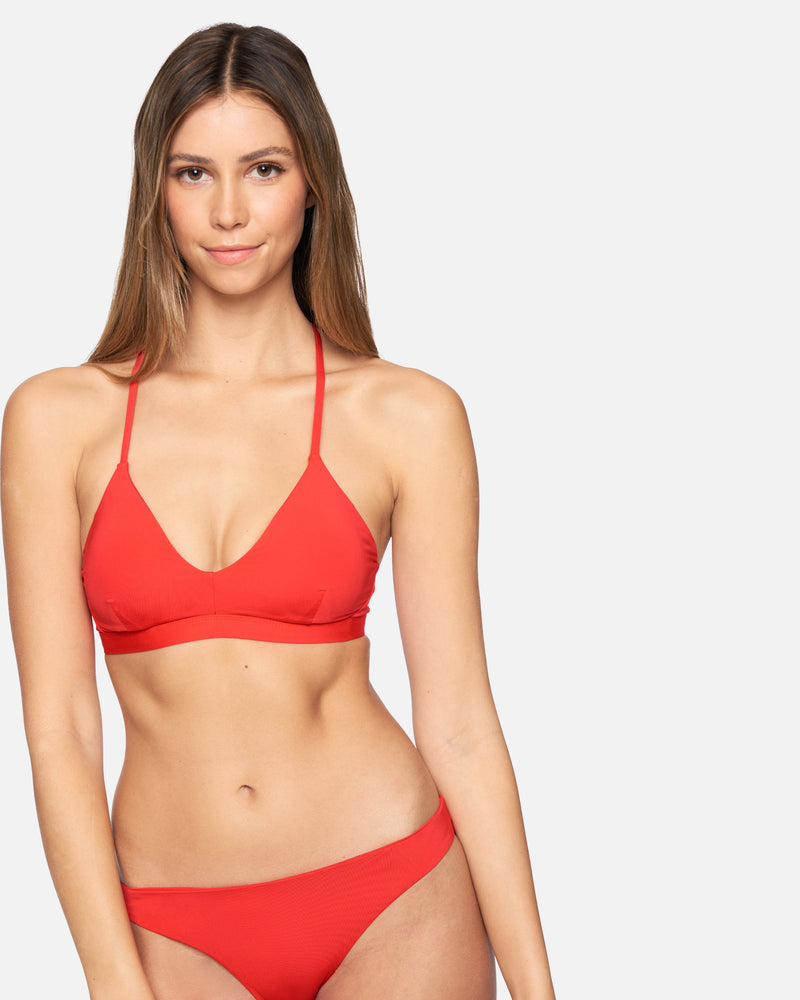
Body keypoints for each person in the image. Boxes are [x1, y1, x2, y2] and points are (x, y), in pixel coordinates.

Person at [1, 23, 555, 1000]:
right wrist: (112, 978)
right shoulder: (57, 421)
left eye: (263, 168)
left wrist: (539, 989)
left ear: (312, 184)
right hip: (170, 924)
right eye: (193, 173)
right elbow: (61, 731)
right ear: (155, 190)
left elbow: (461, 725)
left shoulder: (407, 415)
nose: (228, 210)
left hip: (394, 897)